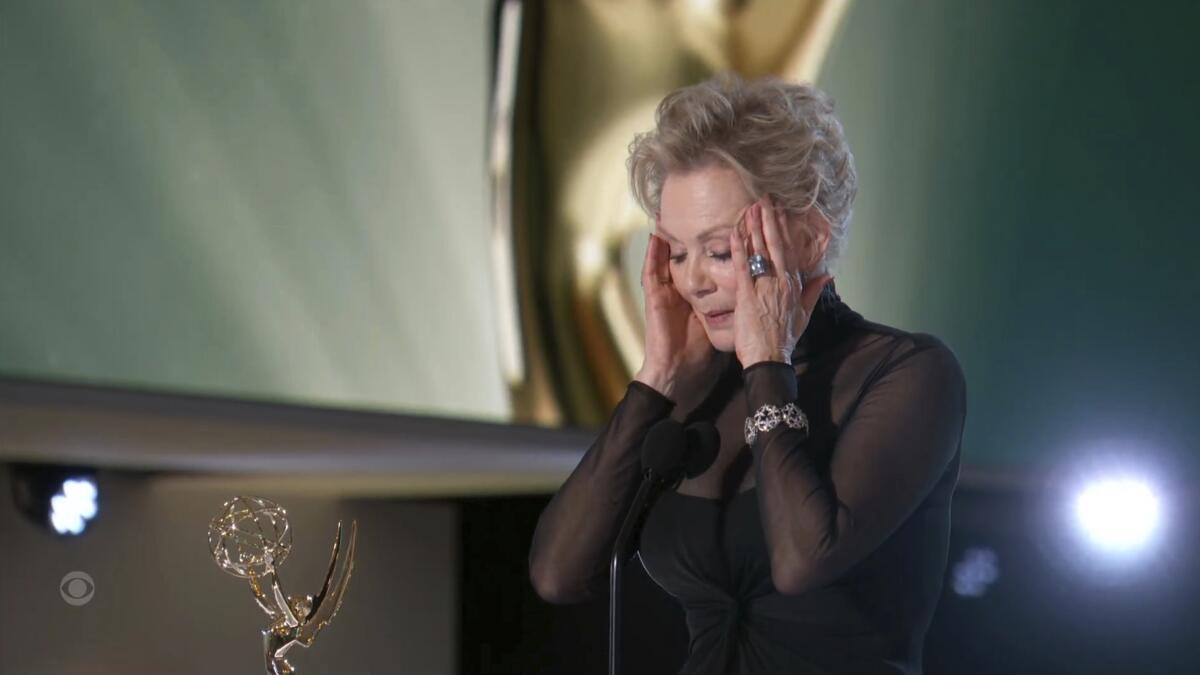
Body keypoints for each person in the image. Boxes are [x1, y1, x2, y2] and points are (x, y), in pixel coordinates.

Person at [529, 74, 967, 675]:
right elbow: (559, 573)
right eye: (678, 254)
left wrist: (766, 364)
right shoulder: (694, 391)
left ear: (809, 237)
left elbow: (803, 559)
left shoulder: (907, 374)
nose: (694, 282)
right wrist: (657, 377)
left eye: (719, 251)